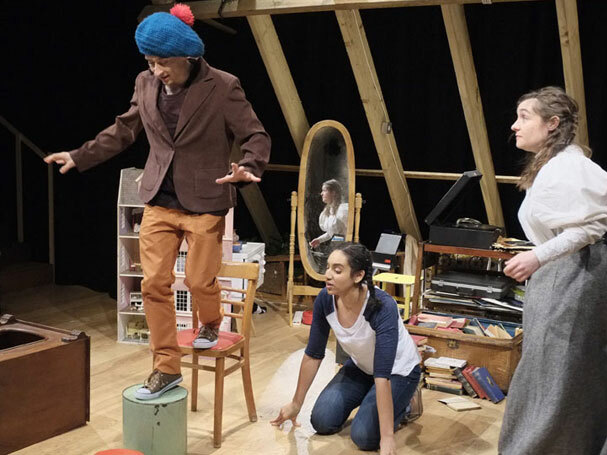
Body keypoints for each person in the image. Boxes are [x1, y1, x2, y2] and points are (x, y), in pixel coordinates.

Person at [43, 4, 270, 400]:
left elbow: (255, 135)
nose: (157, 71)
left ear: (188, 57)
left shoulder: (222, 86)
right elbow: (124, 129)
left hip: (205, 200)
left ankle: (212, 321)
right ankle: (166, 366)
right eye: (150, 62)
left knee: (200, 280)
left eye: (164, 62)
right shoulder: (145, 83)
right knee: (154, 284)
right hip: (159, 199)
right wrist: (80, 156)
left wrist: (249, 166)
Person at [498, 86, 607, 454]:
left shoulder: (575, 167)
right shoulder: (552, 165)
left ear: (552, 123)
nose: (515, 125)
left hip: (578, 278)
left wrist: (537, 257)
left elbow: (590, 229)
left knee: (562, 372)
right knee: (558, 370)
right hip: (561, 277)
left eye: (524, 116)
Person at [270, 243, 421, 455]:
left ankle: (406, 403)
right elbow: (313, 354)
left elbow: (382, 375)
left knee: (365, 437)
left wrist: (387, 437)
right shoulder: (325, 299)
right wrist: (296, 403)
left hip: (398, 372)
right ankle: (373, 399)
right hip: (361, 368)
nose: (328, 275)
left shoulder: (382, 306)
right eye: (328, 267)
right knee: (321, 421)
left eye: (337, 270)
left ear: (358, 276)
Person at [309, 179, 349, 249]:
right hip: (336, 246)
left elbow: (344, 235)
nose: (321, 193)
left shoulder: (343, 210)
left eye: (324, 190)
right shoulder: (328, 211)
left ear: (333, 193)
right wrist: (319, 240)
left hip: (345, 247)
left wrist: (337, 243)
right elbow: (332, 233)